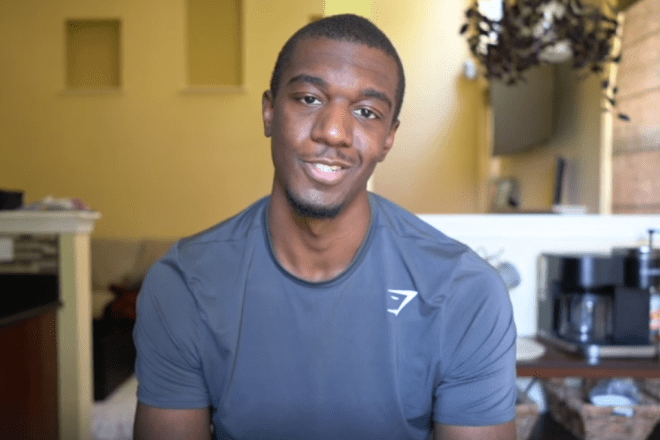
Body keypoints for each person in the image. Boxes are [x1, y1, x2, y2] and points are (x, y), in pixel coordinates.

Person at [133, 13, 517, 440]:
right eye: (310, 99)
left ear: (388, 138)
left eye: (367, 111)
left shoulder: (465, 294)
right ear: (269, 111)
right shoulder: (184, 284)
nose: (334, 131)